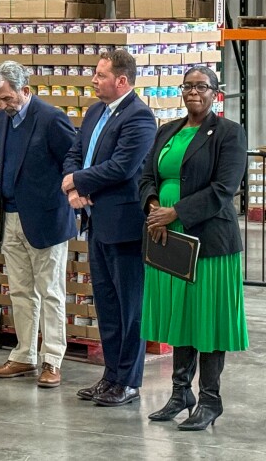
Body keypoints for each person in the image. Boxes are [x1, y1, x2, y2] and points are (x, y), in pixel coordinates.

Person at [139, 65, 248, 430]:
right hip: (171, 242)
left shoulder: (228, 133)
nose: (193, 92)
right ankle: (180, 393)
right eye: (187, 86)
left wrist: (176, 212)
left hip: (211, 245)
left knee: (209, 321)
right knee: (182, 318)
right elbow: (146, 175)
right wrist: (153, 206)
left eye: (201, 86)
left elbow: (223, 189)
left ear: (215, 93)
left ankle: (210, 400)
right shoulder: (166, 131)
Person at [62, 49, 157, 406]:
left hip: (125, 226)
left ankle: (129, 381)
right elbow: (75, 153)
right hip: (96, 222)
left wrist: (77, 182)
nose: (93, 80)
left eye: (100, 75)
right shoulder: (94, 112)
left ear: (122, 81)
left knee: (129, 306)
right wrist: (72, 186)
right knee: (107, 303)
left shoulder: (140, 118)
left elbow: (122, 167)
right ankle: (111, 376)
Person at [0, 61, 77, 388]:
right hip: (10, 217)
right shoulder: (0, 120)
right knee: (21, 290)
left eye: (8, 99)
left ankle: (53, 358)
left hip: (46, 219)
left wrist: (70, 192)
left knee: (51, 291)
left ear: (26, 90)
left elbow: (73, 159)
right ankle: (24, 354)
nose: (3, 106)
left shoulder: (51, 119)